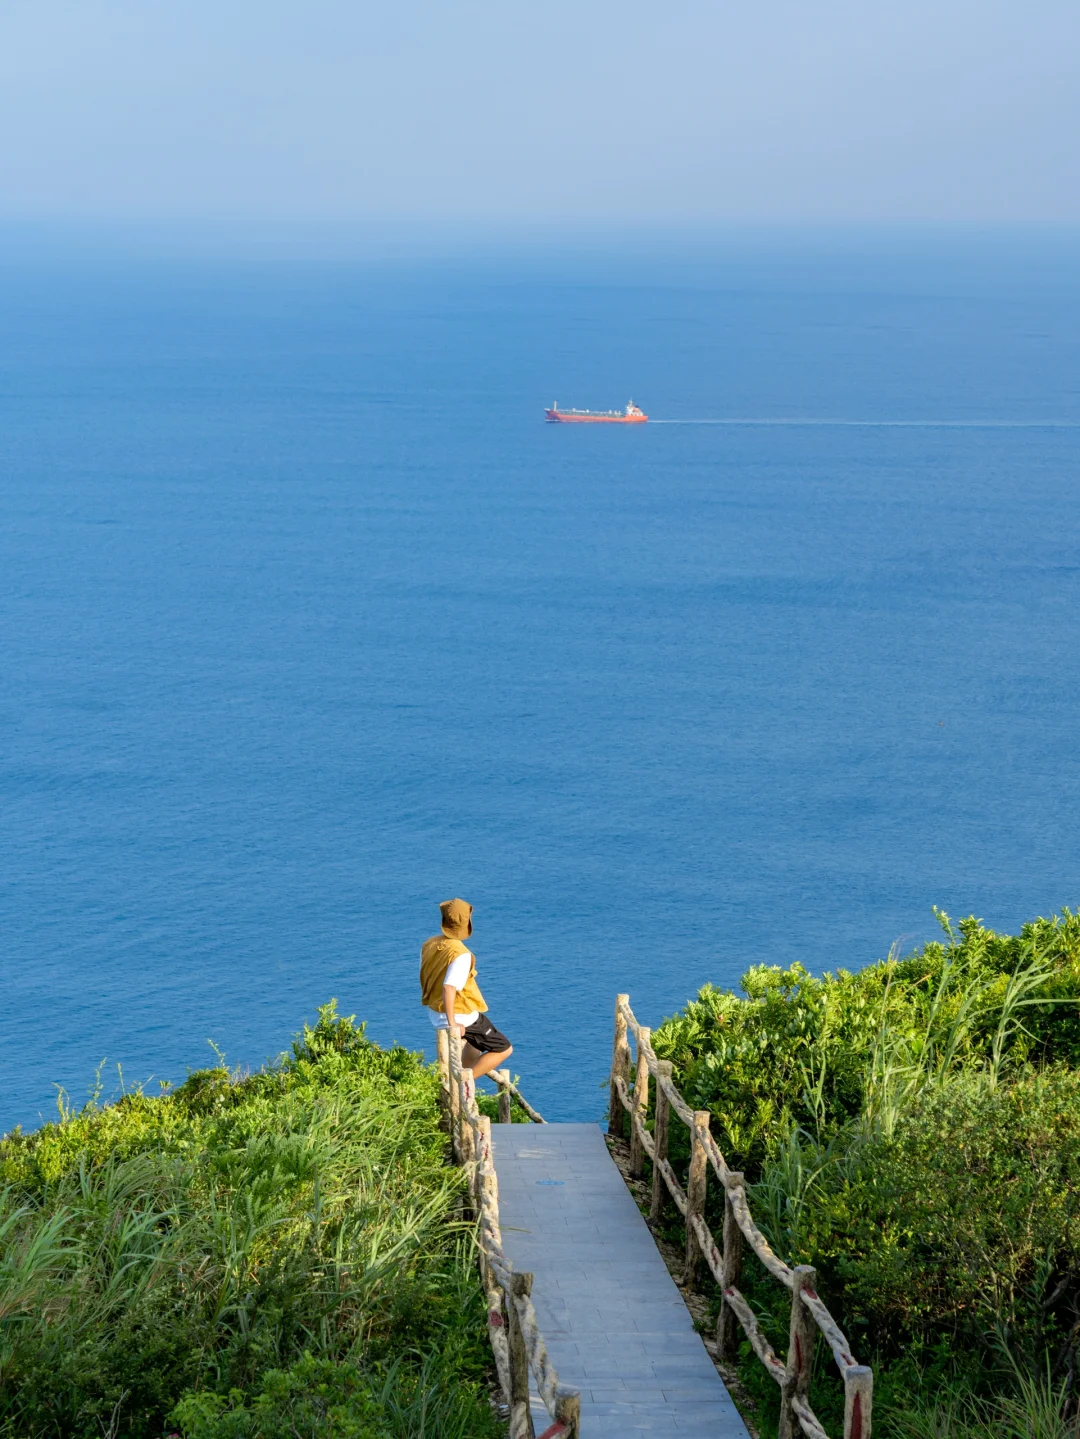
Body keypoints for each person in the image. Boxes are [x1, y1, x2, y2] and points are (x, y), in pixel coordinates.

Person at [420, 897, 512, 1078]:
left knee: (474, 1044)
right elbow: (449, 987)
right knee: (504, 1049)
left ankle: (458, 1073)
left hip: (434, 1010)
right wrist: (453, 1023)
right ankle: (463, 1081)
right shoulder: (461, 955)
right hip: (458, 1015)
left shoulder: (429, 944)